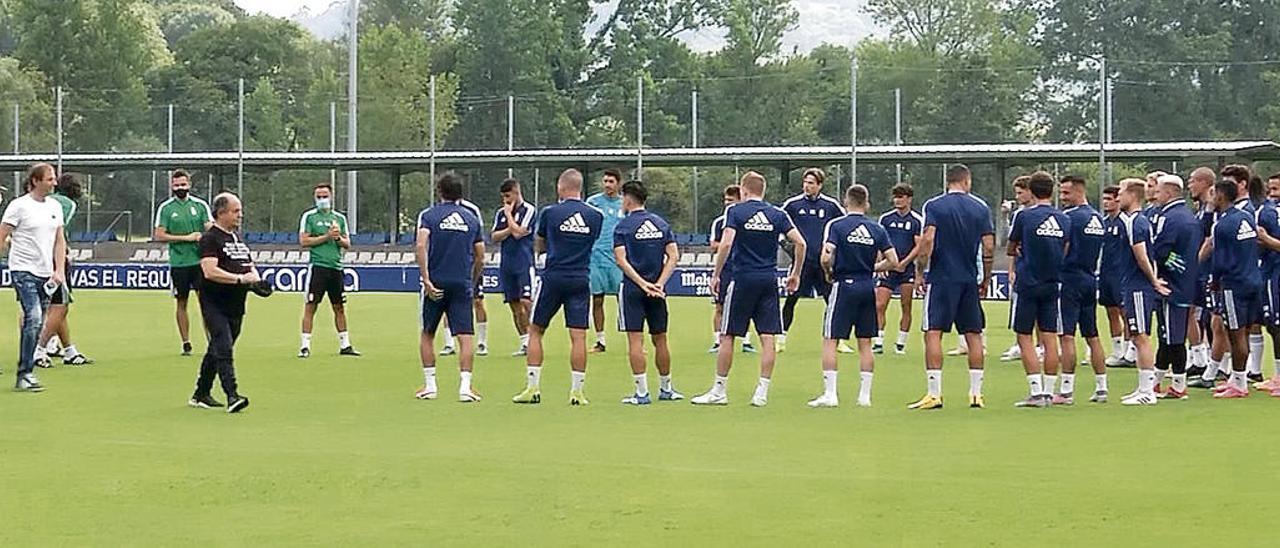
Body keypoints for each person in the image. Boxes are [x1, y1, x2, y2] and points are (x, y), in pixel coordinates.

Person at [692, 171, 806, 407]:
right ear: (763, 191)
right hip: (768, 280)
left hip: (743, 279)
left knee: (728, 336)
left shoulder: (735, 211)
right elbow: (801, 242)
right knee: (767, 338)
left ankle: (719, 390)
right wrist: (795, 273)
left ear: (744, 190)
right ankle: (761, 393)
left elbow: (726, 243)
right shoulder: (777, 214)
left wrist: (716, 274)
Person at [512, 169, 604, 405]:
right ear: (580, 188)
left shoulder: (550, 212)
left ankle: (532, 387)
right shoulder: (596, 216)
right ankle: (577, 392)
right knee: (579, 337)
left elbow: (540, 242)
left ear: (560, 188)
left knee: (535, 331)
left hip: (553, 277)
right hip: (580, 278)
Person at [910, 164, 994, 410]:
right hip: (969, 279)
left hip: (942, 278)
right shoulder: (980, 207)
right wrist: (985, 278)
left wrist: (919, 272)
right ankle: (976, 394)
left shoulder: (934, 206)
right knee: (973, 334)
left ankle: (935, 393)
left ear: (949, 181)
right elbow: (988, 246)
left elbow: (927, 240)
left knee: (933, 332)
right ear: (967, 181)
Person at [808, 184, 898, 408]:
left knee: (830, 339)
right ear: (866, 203)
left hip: (843, 285)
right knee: (865, 342)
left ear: (846, 201)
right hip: (867, 285)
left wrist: (829, 272)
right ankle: (864, 396)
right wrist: (872, 268)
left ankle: (830, 394)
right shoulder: (876, 228)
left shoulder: (837, 225)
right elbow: (894, 261)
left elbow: (826, 255)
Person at [413, 172, 485, 402]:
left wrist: (426, 279)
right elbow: (481, 256)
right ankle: (465, 387)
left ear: (439, 192)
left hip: (436, 281)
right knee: (465, 336)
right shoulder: (471, 218)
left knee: (427, 333)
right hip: (461, 283)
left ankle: (430, 385)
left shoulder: (429, 216)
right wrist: (471, 282)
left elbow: (421, 245)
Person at [612, 180, 683, 404]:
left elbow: (621, 260)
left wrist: (642, 284)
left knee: (635, 340)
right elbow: (674, 256)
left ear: (628, 198)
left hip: (633, 289)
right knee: (660, 339)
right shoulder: (660, 224)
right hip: (657, 290)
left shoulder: (623, 226)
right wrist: (659, 283)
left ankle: (642, 393)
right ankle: (666, 388)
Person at [0, 163, 68, 392]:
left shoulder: (55, 207)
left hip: (46, 273)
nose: (54, 183)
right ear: (35, 181)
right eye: (49, 179)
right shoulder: (18, 206)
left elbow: (60, 239)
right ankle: (25, 373)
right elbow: (3, 236)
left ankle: (27, 370)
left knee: (37, 323)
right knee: (35, 317)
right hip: (23, 270)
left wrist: (59, 270)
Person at [188, 192, 255, 413]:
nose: (240, 215)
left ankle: (201, 393)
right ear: (221, 213)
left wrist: (256, 280)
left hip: (236, 304)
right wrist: (239, 279)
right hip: (214, 302)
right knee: (223, 347)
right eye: (236, 211)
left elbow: (248, 265)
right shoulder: (211, 238)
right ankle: (232, 395)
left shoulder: (237, 238)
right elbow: (209, 271)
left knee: (216, 349)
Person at [1007, 171, 1069, 408]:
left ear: (1031, 191)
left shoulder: (1024, 217)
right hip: (1052, 283)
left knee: (1024, 336)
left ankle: (1036, 391)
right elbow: (1065, 248)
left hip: (1028, 282)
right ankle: (1050, 391)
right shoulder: (1064, 219)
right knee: (1050, 337)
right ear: (1052, 191)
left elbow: (1011, 247)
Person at [1200, 179, 1261, 399]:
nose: (1211, 198)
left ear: (1221, 196)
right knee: (1244, 331)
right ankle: (1236, 379)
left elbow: (1220, 260)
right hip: (1254, 279)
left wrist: (1214, 280)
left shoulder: (1222, 224)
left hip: (1233, 285)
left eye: (1214, 193)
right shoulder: (1247, 217)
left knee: (1235, 334)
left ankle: (1240, 384)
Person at [1114, 179, 1172, 406]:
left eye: (1121, 192)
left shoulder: (1135, 222)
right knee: (1138, 336)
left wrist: (1153, 281)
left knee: (1140, 337)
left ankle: (1148, 391)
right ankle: (1143, 387)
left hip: (1138, 286)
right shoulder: (1138, 221)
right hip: (1134, 284)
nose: (1118, 197)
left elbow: (1142, 255)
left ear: (1132, 195)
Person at [1056, 175, 1110, 404]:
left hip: (1068, 280)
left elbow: (1062, 249)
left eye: (1066, 193)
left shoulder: (1068, 218)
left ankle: (1066, 391)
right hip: (1089, 279)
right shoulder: (1098, 218)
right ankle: (1102, 388)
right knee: (1092, 335)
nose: (1062, 197)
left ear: (1079, 192)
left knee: (1066, 335)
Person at [779, 168, 846, 353]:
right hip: (802, 264)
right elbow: (777, 223)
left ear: (819, 185)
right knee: (791, 300)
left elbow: (844, 226)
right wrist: (785, 243)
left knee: (831, 300)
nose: (807, 186)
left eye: (811, 183)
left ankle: (837, 339)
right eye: (805, 182)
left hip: (823, 264)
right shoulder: (792, 205)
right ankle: (781, 338)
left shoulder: (831, 206)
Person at [34, 172, 94, 367]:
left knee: (45, 306)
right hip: (52, 259)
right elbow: (57, 231)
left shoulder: (42, 199)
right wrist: (63, 252)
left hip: (34, 257)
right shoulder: (67, 204)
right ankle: (39, 349)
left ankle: (69, 350)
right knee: (60, 305)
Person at [1149, 174, 1200, 400]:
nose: (1154, 195)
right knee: (1167, 335)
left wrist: (1157, 269)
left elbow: (1159, 250)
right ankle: (1156, 382)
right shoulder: (1189, 216)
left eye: (1158, 191)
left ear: (1169, 193)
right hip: (1185, 282)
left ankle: (1179, 385)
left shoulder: (1169, 217)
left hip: (1171, 286)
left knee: (1172, 337)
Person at [154, 169, 213, 355]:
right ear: (172, 186)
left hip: (200, 263)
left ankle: (212, 342)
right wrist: (186, 238)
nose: (180, 188)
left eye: (183, 184)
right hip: (179, 263)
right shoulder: (166, 208)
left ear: (189, 185)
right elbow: (160, 235)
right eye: (177, 185)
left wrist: (204, 237)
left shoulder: (200, 205)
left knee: (206, 303)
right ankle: (186, 342)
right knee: (181, 302)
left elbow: (210, 229)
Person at [297, 182, 359, 358]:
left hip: (336, 268)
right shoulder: (309, 217)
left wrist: (337, 237)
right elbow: (304, 241)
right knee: (311, 305)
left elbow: (347, 244)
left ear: (331, 197)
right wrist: (326, 237)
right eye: (319, 197)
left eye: (325, 196)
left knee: (339, 307)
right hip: (318, 267)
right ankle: (305, 345)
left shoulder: (339, 218)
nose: (322, 200)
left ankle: (345, 344)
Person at [874, 182, 923, 355]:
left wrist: (904, 263)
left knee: (906, 305)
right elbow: (880, 243)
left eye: (901, 197)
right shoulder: (886, 219)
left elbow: (919, 246)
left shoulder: (916, 221)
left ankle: (901, 343)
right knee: (880, 304)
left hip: (906, 269)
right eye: (895, 197)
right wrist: (882, 264)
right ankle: (878, 341)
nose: (897, 200)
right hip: (888, 268)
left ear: (909, 199)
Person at [707, 185, 756, 354]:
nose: (727, 203)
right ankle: (717, 341)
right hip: (725, 269)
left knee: (746, 306)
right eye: (726, 200)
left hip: (742, 268)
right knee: (720, 306)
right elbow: (714, 244)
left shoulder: (746, 218)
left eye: (731, 200)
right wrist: (729, 245)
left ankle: (746, 341)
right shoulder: (719, 222)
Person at [492, 177, 537, 356]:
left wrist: (509, 217)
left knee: (526, 301)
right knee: (513, 304)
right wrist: (510, 228)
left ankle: (534, 338)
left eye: (508, 196)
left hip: (524, 262)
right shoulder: (500, 213)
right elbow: (494, 236)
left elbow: (519, 234)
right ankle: (524, 342)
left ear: (517, 193)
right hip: (507, 263)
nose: (506, 201)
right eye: (503, 197)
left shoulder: (529, 210)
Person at [440, 197, 489, 356]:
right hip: (449, 265)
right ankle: (449, 343)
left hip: (469, 263)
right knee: (446, 302)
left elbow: (478, 239)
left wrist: (477, 264)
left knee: (477, 301)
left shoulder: (471, 210)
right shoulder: (439, 210)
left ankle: (482, 342)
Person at [586, 168, 626, 353]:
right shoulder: (593, 203)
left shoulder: (624, 204)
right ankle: (600, 340)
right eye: (605, 181)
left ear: (618, 183)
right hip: (595, 257)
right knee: (597, 299)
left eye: (611, 181)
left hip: (618, 259)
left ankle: (633, 340)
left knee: (624, 299)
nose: (608, 185)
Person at [1185, 167, 1216, 379]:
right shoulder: (1201, 208)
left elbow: (1209, 240)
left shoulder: (1212, 209)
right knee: (1193, 314)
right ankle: (1198, 360)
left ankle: (1223, 367)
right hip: (1200, 271)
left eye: (1192, 181)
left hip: (1210, 271)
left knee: (1213, 319)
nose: (1190, 185)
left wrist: (1193, 264)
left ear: (1204, 182)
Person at [1099, 185, 1135, 368]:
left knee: (1125, 312)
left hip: (1121, 273)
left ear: (1118, 200)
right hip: (1106, 273)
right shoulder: (1104, 222)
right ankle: (1117, 350)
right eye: (1104, 199)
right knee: (1110, 311)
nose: (1106, 202)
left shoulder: (1125, 222)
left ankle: (1131, 351)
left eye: (1109, 199)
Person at [1254, 173, 1280, 395]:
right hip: (1270, 272)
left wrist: (1267, 239)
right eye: (1270, 190)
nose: (1272, 195)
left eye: (1276, 190)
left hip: (1277, 274)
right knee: (1272, 324)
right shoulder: (1269, 212)